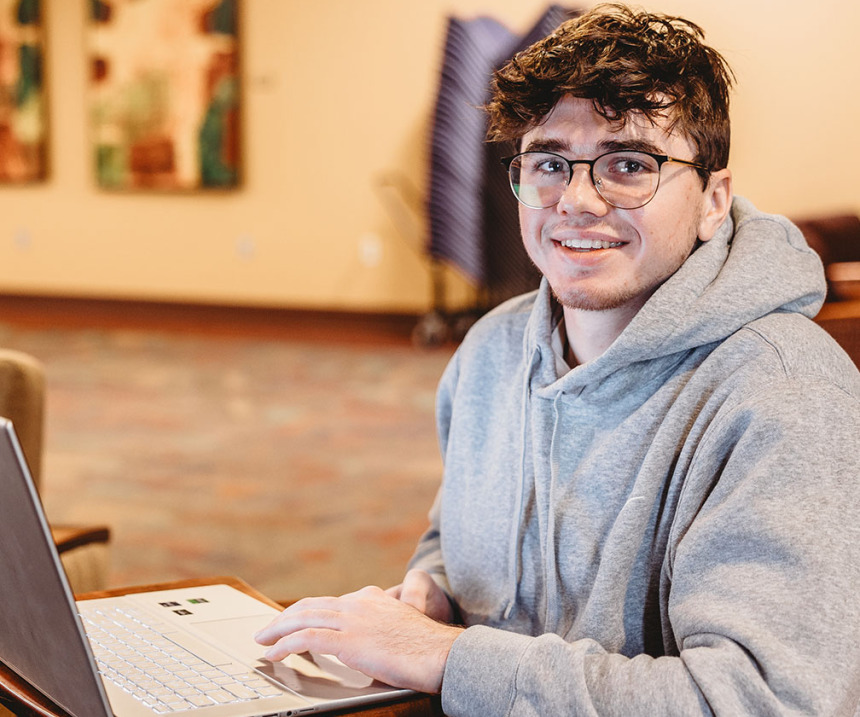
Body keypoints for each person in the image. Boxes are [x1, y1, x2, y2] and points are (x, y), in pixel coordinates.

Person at [255, 4, 860, 714]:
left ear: (713, 201)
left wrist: (442, 655)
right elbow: (455, 539)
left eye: (628, 164)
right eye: (548, 162)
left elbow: (762, 702)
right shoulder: (490, 352)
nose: (576, 199)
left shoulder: (785, 397)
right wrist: (434, 590)